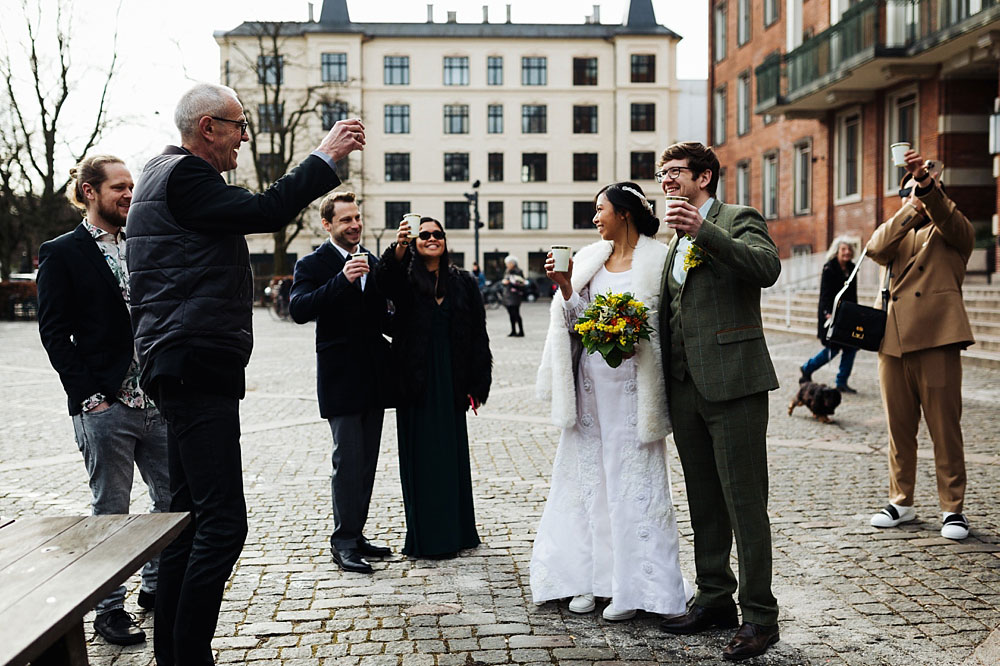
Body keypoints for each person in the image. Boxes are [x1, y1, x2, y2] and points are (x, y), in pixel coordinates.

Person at [126, 81, 365, 666]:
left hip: (179, 361)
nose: (244, 136)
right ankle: (189, 656)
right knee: (223, 523)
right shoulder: (185, 176)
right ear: (208, 127)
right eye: (238, 124)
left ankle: (177, 656)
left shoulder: (163, 174)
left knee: (186, 518)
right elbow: (265, 210)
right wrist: (326, 158)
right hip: (193, 360)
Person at [532, 182, 687, 622]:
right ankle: (586, 580)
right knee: (587, 482)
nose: (595, 217)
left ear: (624, 213)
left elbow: (669, 324)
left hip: (637, 391)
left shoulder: (660, 259)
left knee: (631, 485)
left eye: (600, 209)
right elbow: (574, 323)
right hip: (590, 387)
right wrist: (565, 287)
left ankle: (633, 587)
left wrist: (631, 330)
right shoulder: (586, 258)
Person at [36, 155, 170, 647]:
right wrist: (89, 396)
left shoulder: (142, 245)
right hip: (106, 405)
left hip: (156, 400)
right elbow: (53, 332)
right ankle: (108, 611)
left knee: (172, 500)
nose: (129, 195)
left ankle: (156, 590)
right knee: (111, 512)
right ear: (90, 192)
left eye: (132, 186)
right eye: (119, 187)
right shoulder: (62, 251)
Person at [655, 142, 781, 661]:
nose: (666, 180)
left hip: (735, 384)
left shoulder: (737, 217)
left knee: (744, 502)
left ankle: (760, 617)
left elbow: (766, 267)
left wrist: (704, 231)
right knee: (704, 501)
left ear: (704, 177)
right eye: (662, 173)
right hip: (686, 387)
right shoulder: (671, 240)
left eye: (676, 172)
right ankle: (713, 599)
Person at [866, 150, 975, 540]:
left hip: (938, 337)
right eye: (911, 192)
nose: (921, 197)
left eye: (927, 191)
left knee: (945, 428)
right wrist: (909, 207)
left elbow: (950, 220)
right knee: (899, 428)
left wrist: (927, 188)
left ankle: (952, 508)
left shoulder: (953, 232)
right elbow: (875, 248)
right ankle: (901, 501)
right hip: (892, 342)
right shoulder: (899, 233)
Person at [289, 191, 394, 574]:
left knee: (366, 463)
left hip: (374, 378)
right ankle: (343, 542)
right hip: (339, 379)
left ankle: (357, 532)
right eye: (346, 220)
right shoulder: (313, 263)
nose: (354, 225)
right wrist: (341, 280)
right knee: (346, 461)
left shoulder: (375, 262)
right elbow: (299, 309)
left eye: (357, 218)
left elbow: (386, 320)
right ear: (328, 224)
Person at [375, 216, 492, 559]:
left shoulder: (464, 282)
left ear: (445, 240)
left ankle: (458, 532)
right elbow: (384, 282)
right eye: (423, 235)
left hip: (452, 380)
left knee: (451, 456)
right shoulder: (406, 278)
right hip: (416, 382)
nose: (431, 239)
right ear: (415, 242)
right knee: (422, 458)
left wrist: (476, 382)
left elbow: (477, 335)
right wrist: (398, 247)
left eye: (437, 234)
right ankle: (427, 536)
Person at [799, 237, 859, 393]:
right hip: (831, 316)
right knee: (833, 349)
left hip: (847, 314)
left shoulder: (852, 268)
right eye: (843, 249)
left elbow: (853, 295)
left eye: (849, 249)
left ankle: (841, 382)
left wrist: (856, 313)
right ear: (836, 252)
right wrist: (828, 314)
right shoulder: (829, 268)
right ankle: (807, 368)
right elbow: (825, 295)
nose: (847, 252)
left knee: (851, 349)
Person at [501, 255, 525, 337]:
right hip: (508, 295)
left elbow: (521, 282)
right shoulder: (507, 271)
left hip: (515, 295)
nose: (507, 265)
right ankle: (513, 330)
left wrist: (510, 281)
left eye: (508, 263)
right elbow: (504, 280)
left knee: (516, 313)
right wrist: (504, 282)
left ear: (513, 263)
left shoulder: (518, 271)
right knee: (511, 314)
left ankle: (521, 331)